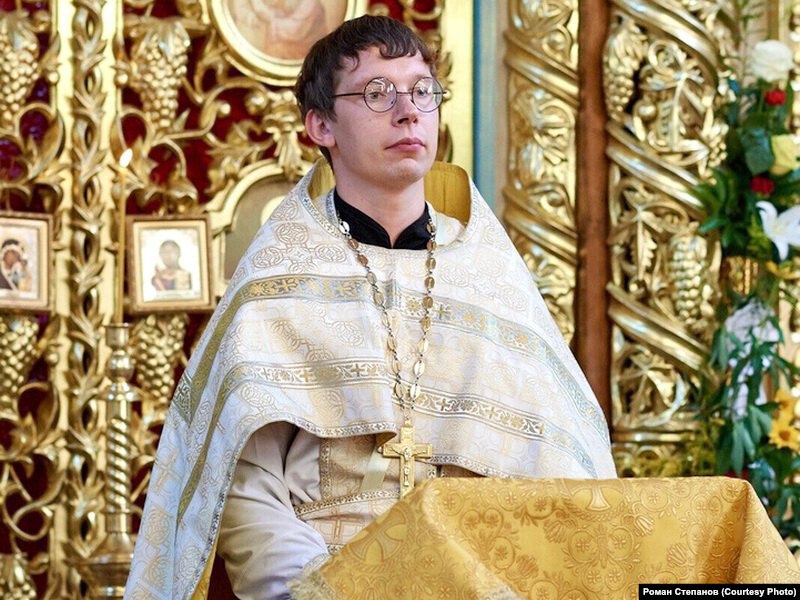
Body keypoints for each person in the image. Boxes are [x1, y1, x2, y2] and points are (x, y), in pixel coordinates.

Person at [124, 15, 616, 600]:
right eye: (377, 93)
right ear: (321, 125)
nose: (408, 111)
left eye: (422, 91)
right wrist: (322, 592)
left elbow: (560, 474)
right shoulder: (279, 277)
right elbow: (242, 481)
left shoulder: (492, 280)